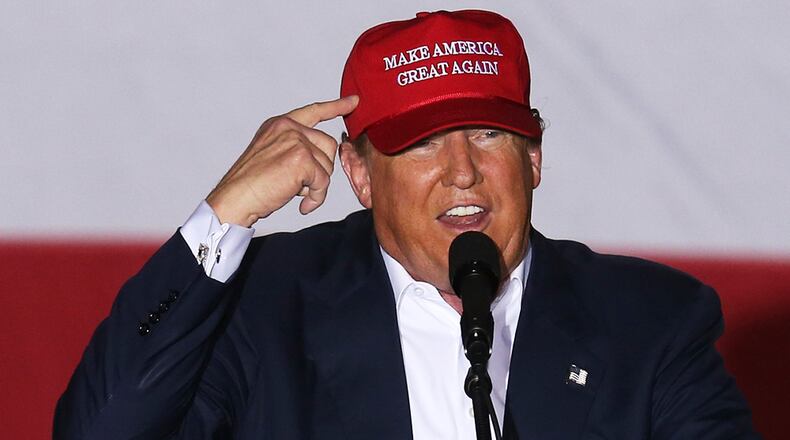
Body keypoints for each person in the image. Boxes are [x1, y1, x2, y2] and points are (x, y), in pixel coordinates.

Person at [54, 9, 758, 440]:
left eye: (487, 134)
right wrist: (225, 215)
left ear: (534, 158)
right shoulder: (261, 308)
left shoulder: (650, 322)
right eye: (422, 143)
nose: (461, 171)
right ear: (360, 176)